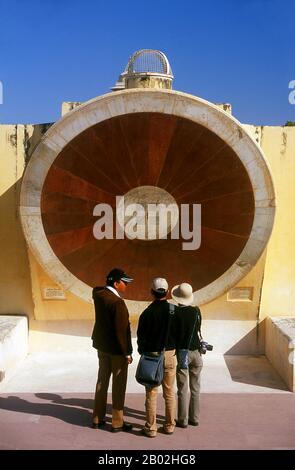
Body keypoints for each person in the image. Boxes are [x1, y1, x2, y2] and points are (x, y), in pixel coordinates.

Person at [91, 268, 133, 432]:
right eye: (124, 283)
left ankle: (97, 418)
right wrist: (127, 352)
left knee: (102, 381)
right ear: (116, 283)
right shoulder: (117, 303)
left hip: (102, 347)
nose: (126, 286)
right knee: (118, 385)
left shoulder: (98, 294)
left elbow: (97, 288)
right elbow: (121, 331)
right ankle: (117, 422)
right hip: (116, 351)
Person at [137, 278, 177, 437]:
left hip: (151, 357)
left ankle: (151, 428)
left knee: (151, 394)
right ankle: (169, 425)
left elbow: (141, 338)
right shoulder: (174, 310)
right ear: (167, 292)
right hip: (169, 355)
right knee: (169, 392)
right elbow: (178, 334)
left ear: (151, 292)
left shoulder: (146, 313)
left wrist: (143, 352)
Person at [172, 282, 203, 428]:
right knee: (196, 388)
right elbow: (198, 330)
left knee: (182, 388)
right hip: (197, 353)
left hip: (183, 353)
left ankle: (182, 420)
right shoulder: (196, 311)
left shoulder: (174, 313)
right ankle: (195, 418)